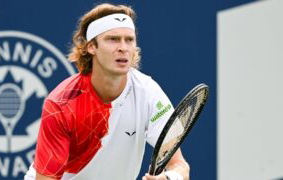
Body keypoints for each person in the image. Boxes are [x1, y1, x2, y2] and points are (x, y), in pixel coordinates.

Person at [25, 3, 190, 180]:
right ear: (91, 47)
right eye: (113, 39)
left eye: (129, 40)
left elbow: (180, 165)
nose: (123, 48)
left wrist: (170, 178)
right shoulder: (61, 104)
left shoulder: (148, 92)